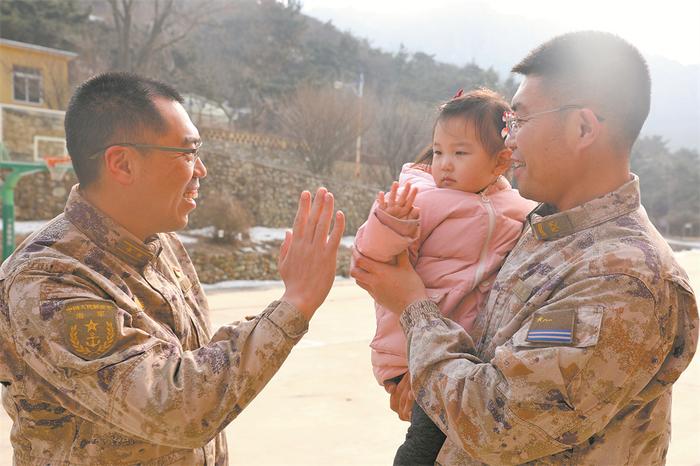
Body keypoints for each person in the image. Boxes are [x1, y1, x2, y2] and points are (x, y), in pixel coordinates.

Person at [352, 31, 698, 464]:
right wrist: (425, 378)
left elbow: (497, 423)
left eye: (519, 121)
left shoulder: (624, 277)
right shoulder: (549, 229)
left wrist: (413, 309)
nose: (508, 141)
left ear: (583, 127)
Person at [0, 72, 345, 465]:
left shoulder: (161, 245)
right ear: (122, 164)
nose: (201, 171)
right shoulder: (47, 280)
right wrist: (293, 305)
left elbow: (195, 365)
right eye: (187, 153)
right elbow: (174, 406)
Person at [354, 89, 535, 465]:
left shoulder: (517, 207)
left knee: (449, 436)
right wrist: (390, 222)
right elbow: (369, 257)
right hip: (408, 346)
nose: (445, 164)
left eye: (460, 153)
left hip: (460, 350)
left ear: (500, 162)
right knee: (424, 444)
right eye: (438, 152)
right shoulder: (419, 198)